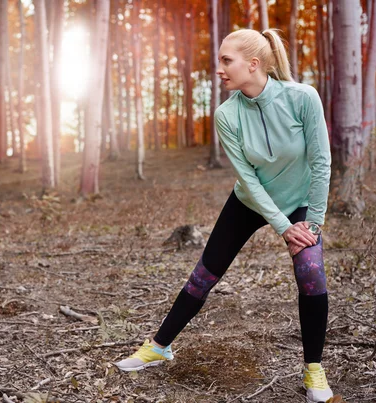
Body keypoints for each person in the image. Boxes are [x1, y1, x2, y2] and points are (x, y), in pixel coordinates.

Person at [114, 28, 336, 403]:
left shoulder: (302, 98)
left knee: (311, 274)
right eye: (219, 60)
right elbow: (247, 180)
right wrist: (283, 227)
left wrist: (311, 223)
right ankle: (158, 346)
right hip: (249, 202)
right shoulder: (226, 114)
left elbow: (321, 162)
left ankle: (314, 371)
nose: (218, 68)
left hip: (300, 203)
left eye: (225, 60)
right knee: (204, 275)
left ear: (253, 64)